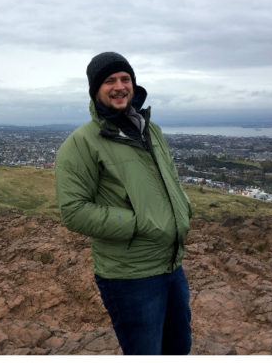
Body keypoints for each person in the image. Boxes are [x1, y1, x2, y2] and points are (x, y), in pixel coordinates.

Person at [54, 52, 193, 355]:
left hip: (171, 264)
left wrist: (183, 210)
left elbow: (168, 182)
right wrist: (141, 224)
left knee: (179, 349)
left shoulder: (150, 130)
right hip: (130, 275)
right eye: (109, 81)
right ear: (95, 90)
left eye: (125, 79)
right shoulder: (82, 143)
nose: (119, 86)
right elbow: (74, 211)